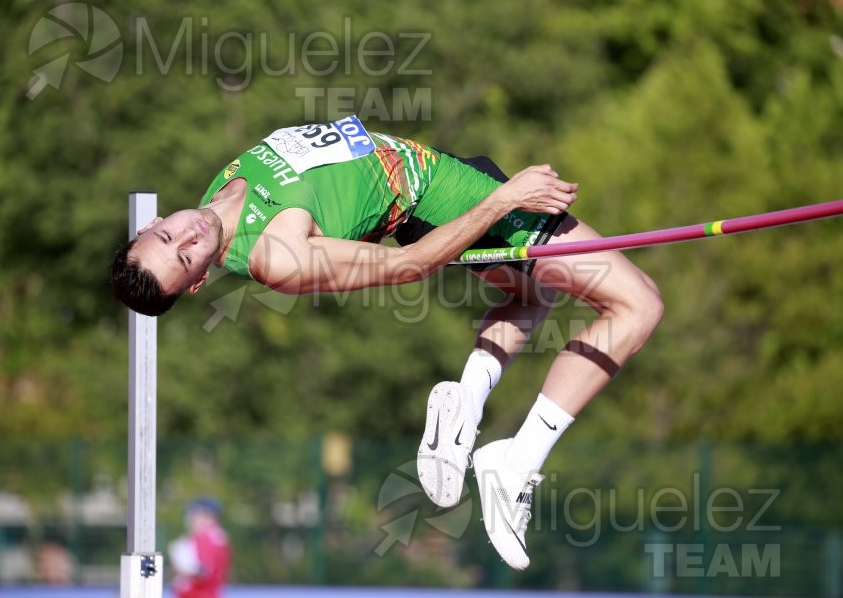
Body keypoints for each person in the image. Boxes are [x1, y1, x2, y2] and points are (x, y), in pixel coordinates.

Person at [112, 116, 664, 570]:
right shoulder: (276, 255)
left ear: (156, 220)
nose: (188, 237)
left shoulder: (217, 193)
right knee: (637, 306)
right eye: (185, 257)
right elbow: (409, 266)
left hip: (430, 171)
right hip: (442, 195)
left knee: (530, 295)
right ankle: (518, 461)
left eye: (168, 235)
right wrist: (505, 199)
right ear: (201, 279)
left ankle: (468, 400)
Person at [169, 497, 230, 598]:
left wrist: (178, 568)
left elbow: (202, 572)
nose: (190, 518)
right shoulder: (215, 537)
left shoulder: (208, 538)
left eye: (194, 514)